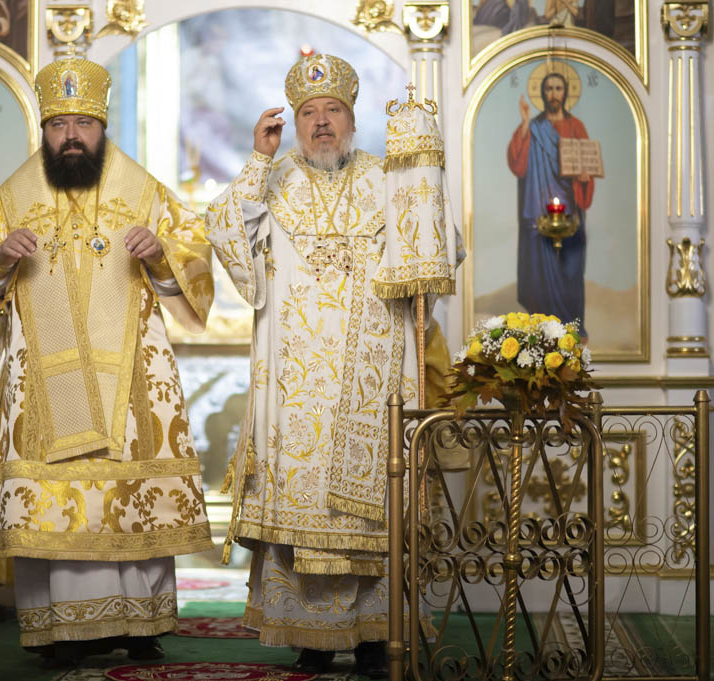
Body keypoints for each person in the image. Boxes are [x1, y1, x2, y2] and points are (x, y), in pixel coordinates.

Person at [0, 55, 215, 666]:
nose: (71, 135)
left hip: (132, 375)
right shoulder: (14, 196)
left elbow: (194, 254)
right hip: (43, 377)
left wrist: (161, 253)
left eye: (83, 124)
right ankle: (61, 629)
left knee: (129, 491)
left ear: (101, 127)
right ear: (44, 130)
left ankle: (140, 624)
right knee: (58, 498)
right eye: (59, 124)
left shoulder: (142, 190)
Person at [205, 54, 460, 678]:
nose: (321, 123)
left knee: (375, 504)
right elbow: (225, 231)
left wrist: (423, 177)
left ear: (352, 118)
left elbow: (443, 245)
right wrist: (258, 158)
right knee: (303, 500)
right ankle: (311, 638)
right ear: (293, 124)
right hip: (293, 384)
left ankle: (376, 635)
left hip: (372, 376)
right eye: (309, 113)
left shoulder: (388, 177)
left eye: (334, 111)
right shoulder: (273, 179)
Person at [508, 70, 593, 336]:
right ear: (542, 93)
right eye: (549, 89)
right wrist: (524, 123)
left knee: (570, 270)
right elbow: (518, 164)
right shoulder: (533, 127)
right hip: (538, 214)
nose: (553, 94)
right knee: (540, 274)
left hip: (570, 212)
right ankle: (542, 331)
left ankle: (571, 331)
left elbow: (587, 165)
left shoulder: (576, 127)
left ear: (565, 93)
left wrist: (584, 178)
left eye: (558, 88)